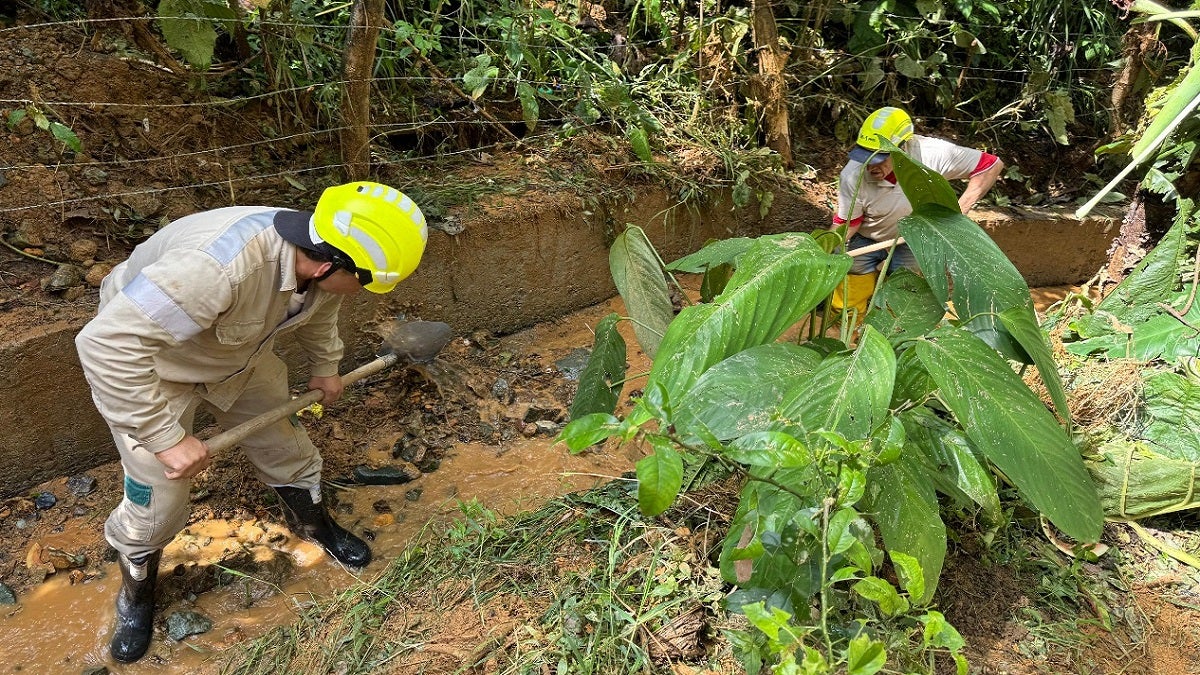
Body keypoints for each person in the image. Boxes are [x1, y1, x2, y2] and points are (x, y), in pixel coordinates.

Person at [74, 181, 428, 663]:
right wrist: (164, 438)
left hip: (240, 353)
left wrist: (325, 366)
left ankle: (315, 524)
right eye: (365, 280)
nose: (364, 291)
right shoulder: (214, 268)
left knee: (287, 447)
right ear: (329, 263)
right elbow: (106, 346)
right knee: (160, 499)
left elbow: (323, 308)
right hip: (154, 367)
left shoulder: (319, 248)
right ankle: (137, 593)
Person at [832, 106, 1005, 276]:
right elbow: (849, 223)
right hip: (868, 237)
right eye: (866, 156)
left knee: (905, 284)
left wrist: (954, 216)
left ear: (901, 148)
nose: (870, 165)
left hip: (914, 239)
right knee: (853, 274)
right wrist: (823, 248)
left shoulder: (930, 155)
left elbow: (990, 165)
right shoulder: (852, 175)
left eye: (879, 157)